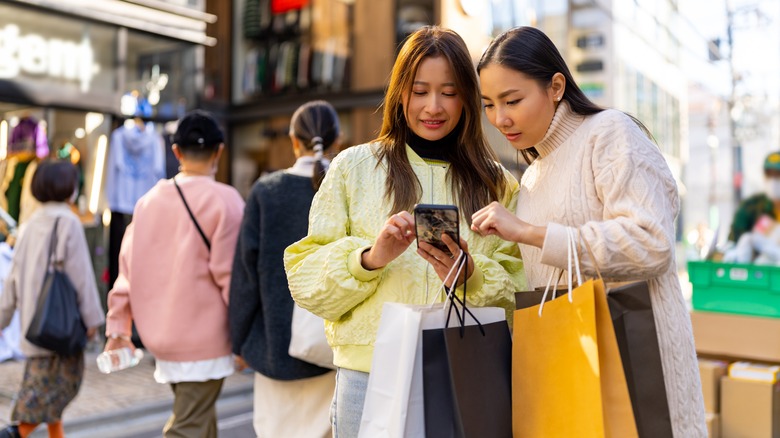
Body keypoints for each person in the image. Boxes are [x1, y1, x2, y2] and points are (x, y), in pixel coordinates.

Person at [284, 26, 524, 438]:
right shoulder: (353, 168)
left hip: (465, 369)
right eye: (420, 90)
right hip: (368, 372)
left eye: (449, 92)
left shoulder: (498, 184)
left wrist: (471, 275)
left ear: (468, 95)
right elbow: (305, 280)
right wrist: (369, 259)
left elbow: (521, 288)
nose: (434, 106)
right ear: (400, 93)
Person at [471, 26, 707, 436]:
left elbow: (652, 244)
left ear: (556, 86)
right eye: (488, 104)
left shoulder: (609, 133)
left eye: (512, 100)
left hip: (635, 364)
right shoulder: (531, 178)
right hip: (573, 371)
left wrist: (531, 232)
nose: (499, 118)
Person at [103, 110, 245, 437]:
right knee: (188, 427)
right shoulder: (227, 201)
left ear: (176, 152)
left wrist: (118, 328)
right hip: (206, 341)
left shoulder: (147, 202)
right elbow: (231, 280)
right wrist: (244, 339)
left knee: (199, 421)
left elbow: (126, 272)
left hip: (161, 338)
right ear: (219, 151)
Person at [229, 100, 340, 437]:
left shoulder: (267, 191)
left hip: (274, 347)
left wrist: (239, 342)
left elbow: (246, 275)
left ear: (294, 141)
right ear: (337, 141)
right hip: (331, 348)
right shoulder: (346, 187)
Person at [0, 159, 105, 438]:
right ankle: (12, 434)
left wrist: (3, 318)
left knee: (47, 399)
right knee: (51, 397)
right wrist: (93, 322)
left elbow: (11, 281)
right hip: (63, 330)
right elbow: (82, 277)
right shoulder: (69, 221)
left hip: (35, 330)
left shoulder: (28, 225)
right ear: (69, 188)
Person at [728, 150, 780, 242]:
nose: (774, 181)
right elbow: (733, 242)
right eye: (769, 175)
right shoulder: (750, 207)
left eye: (778, 175)